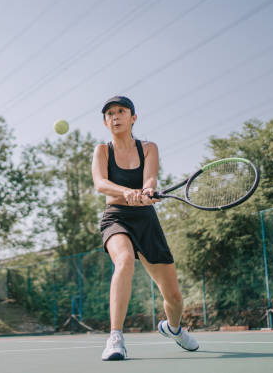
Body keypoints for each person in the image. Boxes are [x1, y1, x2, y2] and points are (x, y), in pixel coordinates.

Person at [91, 96, 198, 361]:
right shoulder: (102, 151)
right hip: (116, 217)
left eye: (121, 111)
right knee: (124, 261)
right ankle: (115, 337)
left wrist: (147, 190)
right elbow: (101, 184)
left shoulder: (148, 148)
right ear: (106, 123)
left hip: (146, 220)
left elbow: (150, 178)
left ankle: (173, 328)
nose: (115, 117)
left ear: (133, 118)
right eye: (110, 114)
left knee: (173, 296)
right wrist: (128, 192)